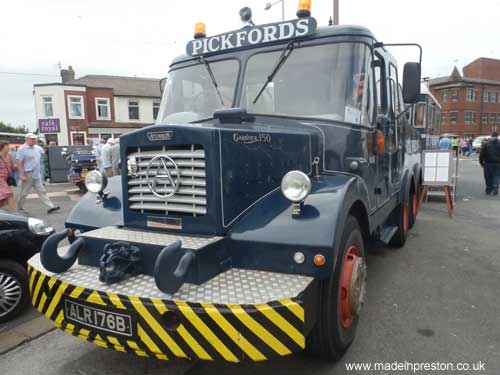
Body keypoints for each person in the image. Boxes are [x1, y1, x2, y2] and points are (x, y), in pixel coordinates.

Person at [16, 133, 60, 213]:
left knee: (42, 191)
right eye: (32, 139)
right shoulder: (21, 149)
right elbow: (19, 162)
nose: (34, 140)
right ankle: (19, 208)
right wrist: (22, 174)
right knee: (24, 193)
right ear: (27, 139)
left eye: (35, 139)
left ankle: (51, 206)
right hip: (28, 173)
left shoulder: (38, 148)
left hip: (37, 174)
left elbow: (43, 154)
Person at [479, 131, 500, 195]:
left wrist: (481, 162)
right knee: (497, 176)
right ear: (497, 136)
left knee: (488, 176)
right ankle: (495, 186)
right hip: (498, 163)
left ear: (491, 136)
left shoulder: (486, 144)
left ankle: (489, 189)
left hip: (488, 163)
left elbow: (482, 154)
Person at [0, 141, 16, 211]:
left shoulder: (9, 156)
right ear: (2, 147)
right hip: (0, 178)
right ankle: (14, 212)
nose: (9, 148)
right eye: (7, 146)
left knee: (4, 198)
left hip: (6, 179)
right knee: (9, 194)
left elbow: (12, 167)